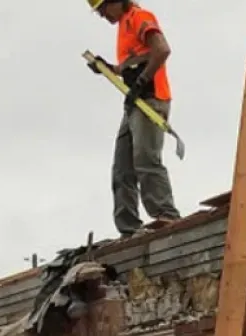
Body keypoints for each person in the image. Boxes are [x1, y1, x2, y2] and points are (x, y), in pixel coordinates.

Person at [87, 0, 181, 237]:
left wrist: (142, 81)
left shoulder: (139, 17)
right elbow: (133, 63)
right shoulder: (123, 26)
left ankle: (166, 217)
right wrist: (109, 69)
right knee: (122, 169)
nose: (102, 15)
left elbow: (161, 50)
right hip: (133, 104)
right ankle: (129, 229)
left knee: (145, 160)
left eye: (103, 9)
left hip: (150, 100)